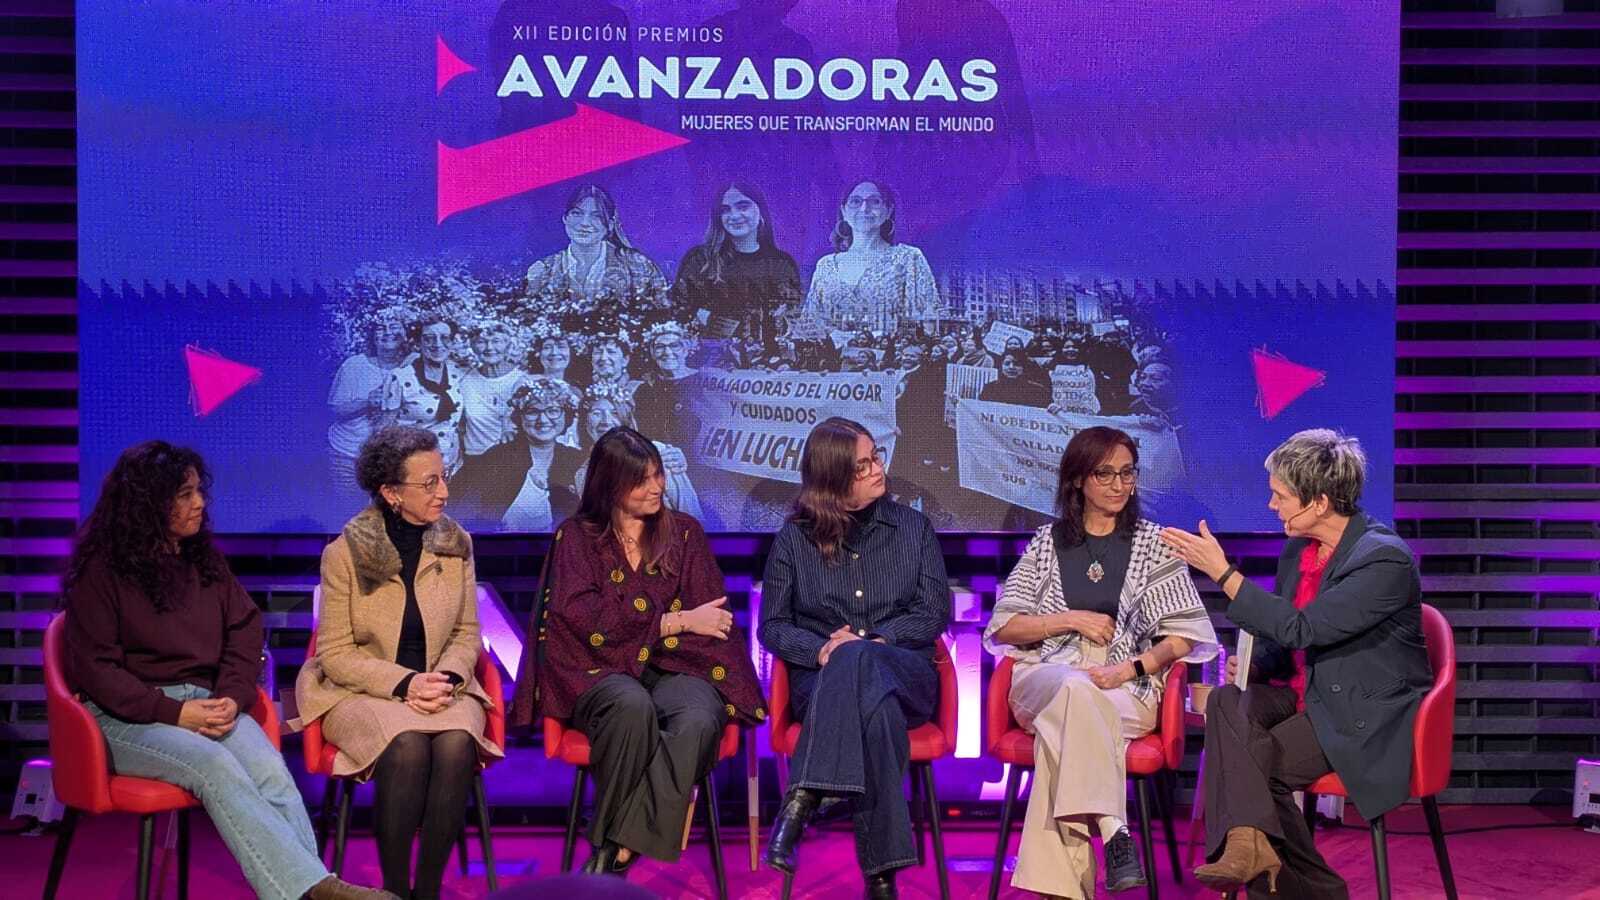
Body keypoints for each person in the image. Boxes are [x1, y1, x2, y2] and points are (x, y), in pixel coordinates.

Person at [64, 441, 391, 900]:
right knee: (214, 763)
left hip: (207, 703)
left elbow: (245, 629)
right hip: (123, 719)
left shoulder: (203, 561)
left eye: (199, 491)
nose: (198, 503)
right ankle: (313, 891)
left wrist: (231, 697)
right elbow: (97, 671)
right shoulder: (101, 572)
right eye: (183, 494)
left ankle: (312, 887)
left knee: (271, 773)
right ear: (146, 503)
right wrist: (173, 713)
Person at [1160, 429, 1429, 898]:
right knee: (1227, 699)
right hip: (1304, 695)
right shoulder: (1297, 551)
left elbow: (1305, 629)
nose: (1271, 505)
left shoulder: (1384, 561)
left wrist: (1223, 574)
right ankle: (1256, 848)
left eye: (1280, 495)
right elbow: (1283, 642)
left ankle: (1282, 871)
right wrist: (1255, 667)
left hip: (1355, 712)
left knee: (1258, 769)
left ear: (1319, 502)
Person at [508, 427, 766, 874]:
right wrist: (676, 620)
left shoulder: (684, 535)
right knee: (630, 705)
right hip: (597, 675)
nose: (658, 487)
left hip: (677, 670)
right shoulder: (576, 539)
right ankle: (619, 851)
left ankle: (614, 848)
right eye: (642, 479)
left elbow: (715, 622)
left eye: (658, 475)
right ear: (610, 485)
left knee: (701, 717)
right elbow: (585, 622)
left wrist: (649, 632)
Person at [983, 427, 1217, 897]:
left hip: (1125, 684)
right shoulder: (1048, 544)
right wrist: (1070, 619)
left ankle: (1065, 887)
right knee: (1072, 687)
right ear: (1077, 481)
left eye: (1127, 472)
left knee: (1067, 728)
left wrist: (1130, 669)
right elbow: (1005, 627)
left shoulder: (1154, 544)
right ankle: (1114, 828)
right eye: (1104, 473)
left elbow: (1184, 638)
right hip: (1046, 675)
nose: (1118, 484)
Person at [293, 427, 503, 900]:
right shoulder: (344, 554)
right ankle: (393, 891)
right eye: (429, 483)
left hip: (444, 685)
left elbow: (468, 632)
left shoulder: (457, 544)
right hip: (363, 691)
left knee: (454, 744)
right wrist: (406, 683)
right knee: (406, 745)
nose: (444, 492)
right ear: (390, 492)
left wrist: (447, 677)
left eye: (444, 478)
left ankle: (425, 893)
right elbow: (336, 654)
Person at [759, 417, 952, 899]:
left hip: (905, 672)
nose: (876, 470)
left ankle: (802, 796)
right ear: (832, 480)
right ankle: (882, 881)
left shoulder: (913, 528)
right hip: (826, 684)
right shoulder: (795, 540)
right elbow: (772, 627)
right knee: (876, 714)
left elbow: (933, 613)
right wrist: (822, 647)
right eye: (861, 465)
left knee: (861, 659)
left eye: (876, 457)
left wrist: (878, 642)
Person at [670, 182, 804, 349]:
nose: (734, 216)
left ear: (760, 210)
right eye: (725, 210)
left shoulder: (782, 264)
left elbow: (789, 319)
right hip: (709, 360)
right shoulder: (699, 260)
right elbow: (679, 311)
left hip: (771, 363)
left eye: (742, 206)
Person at [801, 180, 940, 336]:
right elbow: (809, 325)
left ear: (888, 211)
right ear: (844, 211)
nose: (864, 208)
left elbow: (927, 326)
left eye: (874, 202)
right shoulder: (825, 265)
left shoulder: (909, 259)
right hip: (829, 358)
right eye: (855, 201)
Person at [450, 379, 587, 531]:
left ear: (566, 416)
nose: (543, 420)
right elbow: (460, 512)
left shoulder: (576, 460)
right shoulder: (498, 458)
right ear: (519, 417)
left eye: (553, 411)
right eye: (532, 411)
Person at [524, 184, 669, 316]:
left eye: (596, 216)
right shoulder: (543, 270)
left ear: (611, 224)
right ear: (565, 218)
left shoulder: (637, 265)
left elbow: (663, 315)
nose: (585, 223)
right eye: (577, 213)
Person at [574, 383, 703, 519]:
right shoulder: (584, 474)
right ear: (585, 423)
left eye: (615, 413)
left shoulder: (658, 453)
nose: (606, 421)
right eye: (596, 413)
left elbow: (692, 514)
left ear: (626, 419)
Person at [329, 314, 409, 504]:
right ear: (372, 336)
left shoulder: (414, 367)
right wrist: (366, 402)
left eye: (395, 325)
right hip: (348, 455)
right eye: (381, 328)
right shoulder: (355, 365)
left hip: (394, 461)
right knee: (347, 513)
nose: (388, 332)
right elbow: (335, 410)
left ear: (406, 333)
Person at [378, 316, 466, 474]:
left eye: (445, 338)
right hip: (413, 467)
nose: (438, 344)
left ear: (452, 342)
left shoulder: (458, 372)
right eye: (429, 339)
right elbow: (384, 429)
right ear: (418, 343)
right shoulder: (399, 377)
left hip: (452, 465)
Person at [459, 320, 530, 460]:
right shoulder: (464, 379)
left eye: (496, 341)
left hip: (511, 458)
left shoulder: (523, 381)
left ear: (508, 345)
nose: (489, 347)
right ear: (473, 346)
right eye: (481, 342)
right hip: (474, 457)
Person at [630, 322, 700, 452]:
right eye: (660, 347)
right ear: (652, 353)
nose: (667, 352)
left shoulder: (704, 382)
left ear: (686, 350)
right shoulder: (644, 391)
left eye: (674, 346)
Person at [978, 347, 1052, 408]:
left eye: (1017, 364)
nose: (1011, 367)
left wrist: (1053, 408)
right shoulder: (990, 389)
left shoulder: (1038, 391)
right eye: (1007, 363)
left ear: (1024, 367)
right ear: (1001, 366)